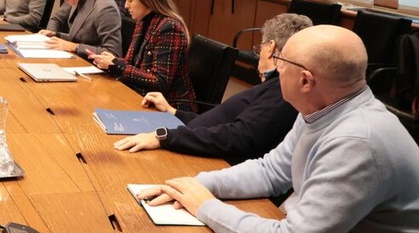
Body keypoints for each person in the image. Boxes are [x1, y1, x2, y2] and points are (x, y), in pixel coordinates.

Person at [138, 25, 419, 233]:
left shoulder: (357, 141)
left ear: (305, 80)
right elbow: (271, 170)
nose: (276, 68)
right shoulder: (323, 108)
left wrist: (206, 206)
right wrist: (197, 185)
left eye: (281, 61)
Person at [113, 13, 312, 165]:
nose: (259, 53)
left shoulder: (282, 92)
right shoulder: (275, 86)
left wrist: (165, 137)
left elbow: (238, 136)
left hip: (203, 159)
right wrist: (173, 112)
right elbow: (219, 121)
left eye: (260, 47)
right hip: (187, 141)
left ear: (270, 48)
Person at [90, 0, 196, 110]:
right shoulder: (143, 22)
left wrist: (117, 66)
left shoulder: (169, 27)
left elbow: (160, 82)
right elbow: (133, 65)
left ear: (147, 0)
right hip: (142, 97)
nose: (126, 6)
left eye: (130, 1)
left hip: (168, 106)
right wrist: (111, 61)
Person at [39, 0, 121, 55]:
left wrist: (74, 47)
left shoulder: (105, 7)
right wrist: (56, 35)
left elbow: (113, 53)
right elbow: (78, 38)